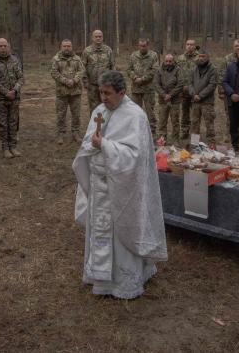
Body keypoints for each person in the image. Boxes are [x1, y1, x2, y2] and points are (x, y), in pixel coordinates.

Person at [72, 70, 168, 299]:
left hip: (122, 188)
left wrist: (104, 145)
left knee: (120, 233)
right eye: (100, 92)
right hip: (99, 186)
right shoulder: (100, 111)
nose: (103, 98)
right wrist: (92, 145)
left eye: (108, 93)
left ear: (122, 92)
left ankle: (124, 283)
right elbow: (88, 142)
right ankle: (100, 277)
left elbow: (134, 157)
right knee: (100, 231)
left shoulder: (135, 116)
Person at [0, 38, 24, 158]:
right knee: (3, 124)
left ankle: (13, 146)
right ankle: (5, 148)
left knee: (13, 123)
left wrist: (14, 90)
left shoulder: (14, 60)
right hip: (0, 99)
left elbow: (21, 77)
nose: (3, 48)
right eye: (0, 46)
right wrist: (6, 92)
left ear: (8, 47)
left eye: (5, 46)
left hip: (14, 97)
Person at [50, 39, 84, 145]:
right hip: (62, 92)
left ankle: (76, 133)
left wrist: (74, 80)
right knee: (61, 114)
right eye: (64, 46)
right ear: (61, 47)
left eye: (68, 46)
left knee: (76, 114)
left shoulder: (77, 59)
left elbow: (81, 70)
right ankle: (60, 134)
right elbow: (54, 72)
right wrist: (65, 81)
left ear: (71, 47)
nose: (67, 48)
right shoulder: (56, 59)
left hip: (76, 92)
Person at [127, 38, 158, 136]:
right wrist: (135, 77)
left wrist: (143, 79)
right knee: (135, 112)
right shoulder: (133, 55)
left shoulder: (153, 55)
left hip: (148, 89)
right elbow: (129, 69)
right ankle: (136, 131)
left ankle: (152, 132)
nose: (142, 48)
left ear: (148, 45)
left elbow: (155, 70)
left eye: (144, 46)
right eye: (140, 46)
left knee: (150, 112)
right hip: (136, 89)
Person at [82, 30, 115, 117]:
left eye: (100, 36)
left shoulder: (108, 50)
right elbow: (83, 68)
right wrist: (85, 82)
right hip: (92, 85)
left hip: (106, 85)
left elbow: (112, 67)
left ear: (102, 37)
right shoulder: (87, 51)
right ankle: (94, 128)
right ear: (92, 38)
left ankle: (107, 128)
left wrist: (112, 82)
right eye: (96, 36)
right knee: (94, 108)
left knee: (107, 106)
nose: (98, 38)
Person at [189, 49, 218, 146]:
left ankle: (211, 146)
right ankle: (194, 145)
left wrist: (200, 96)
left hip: (207, 102)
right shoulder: (194, 69)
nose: (201, 58)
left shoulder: (213, 69)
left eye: (203, 56)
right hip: (195, 102)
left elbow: (212, 85)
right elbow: (190, 83)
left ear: (208, 57)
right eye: (200, 56)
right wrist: (194, 94)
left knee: (209, 125)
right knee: (194, 125)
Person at [154, 54, 183, 145]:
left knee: (175, 121)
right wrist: (164, 95)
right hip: (163, 100)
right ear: (164, 61)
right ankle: (162, 140)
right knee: (162, 121)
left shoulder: (178, 70)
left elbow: (180, 84)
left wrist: (170, 95)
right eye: (167, 61)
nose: (168, 63)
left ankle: (175, 140)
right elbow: (156, 84)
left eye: (170, 61)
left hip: (175, 101)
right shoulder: (159, 70)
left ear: (173, 61)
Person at [176, 39, 199, 140]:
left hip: (196, 91)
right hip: (183, 91)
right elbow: (176, 73)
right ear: (185, 46)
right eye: (188, 44)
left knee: (196, 116)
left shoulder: (200, 57)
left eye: (192, 44)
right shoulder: (180, 58)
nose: (189, 46)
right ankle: (184, 133)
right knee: (184, 114)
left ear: (195, 46)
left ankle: (195, 138)